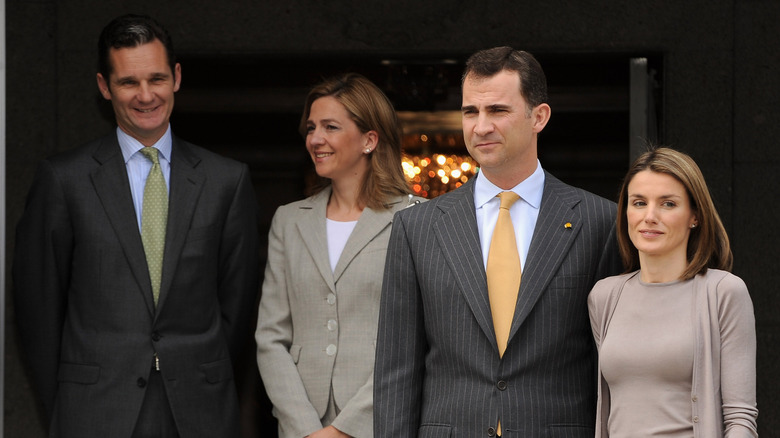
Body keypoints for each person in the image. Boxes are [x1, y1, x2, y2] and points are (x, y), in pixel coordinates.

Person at [12, 14, 260, 438]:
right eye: (129, 82)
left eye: (157, 78)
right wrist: (68, 406)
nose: (146, 95)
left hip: (199, 412)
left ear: (176, 77)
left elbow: (237, 309)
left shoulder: (227, 181)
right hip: (94, 414)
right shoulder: (64, 180)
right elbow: (38, 310)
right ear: (104, 86)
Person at [374, 46, 622, 437]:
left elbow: (611, 367)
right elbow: (396, 371)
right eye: (470, 112)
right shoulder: (416, 228)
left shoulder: (600, 221)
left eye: (497, 110)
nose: (481, 126)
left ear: (539, 116)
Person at [255, 73, 422, 438]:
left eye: (330, 127)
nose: (315, 139)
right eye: (311, 128)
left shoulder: (416, 219)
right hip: (302, 428)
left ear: (369, 140)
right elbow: (271, 338)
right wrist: (305, 429)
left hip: (382, 424)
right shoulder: (288, 221)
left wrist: (343, 430)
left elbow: (417, 343)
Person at [588, 147, 758, 437]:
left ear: (695, 216)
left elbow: (740, 419)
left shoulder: (723, 292)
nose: (650, 216)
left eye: (668, 204)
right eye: (639, 203)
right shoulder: (605, 296)